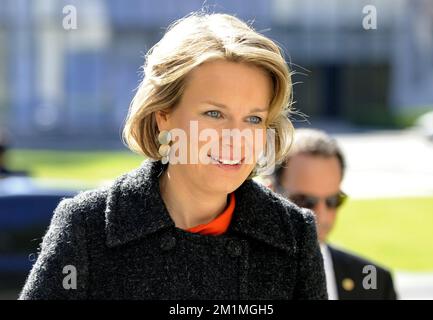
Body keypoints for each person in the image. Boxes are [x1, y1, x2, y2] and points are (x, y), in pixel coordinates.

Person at [19, 13, 327, 300]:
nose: (237, 139)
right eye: (214, 113)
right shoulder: (87, 227)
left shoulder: (293, 233)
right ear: (163, 115)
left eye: (254, 119)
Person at [274, 128, 397, 300]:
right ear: (270, 192)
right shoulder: (237, 274)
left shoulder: (375, 281)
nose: (320, 216)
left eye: (332, 201)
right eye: (305, 201)